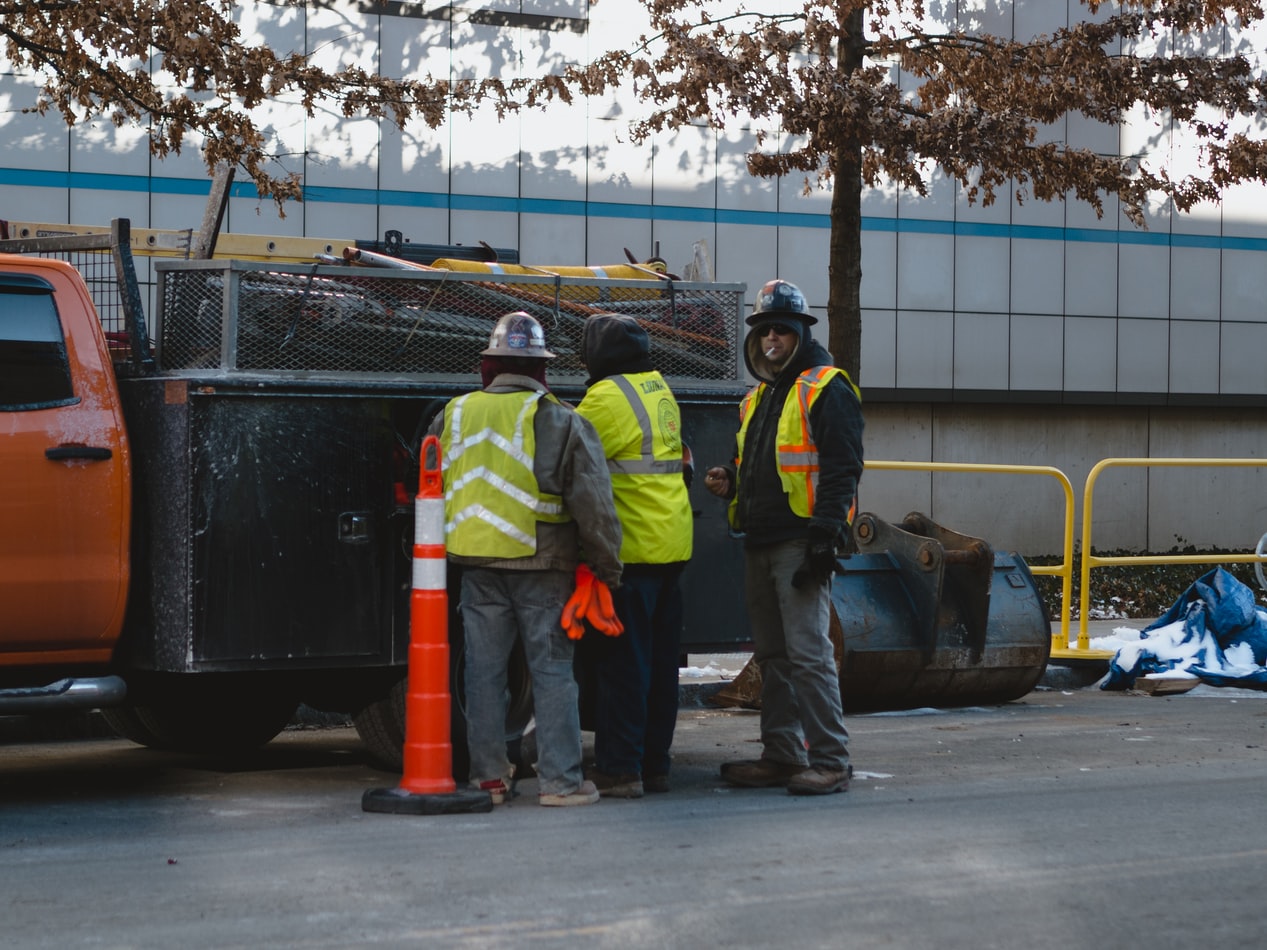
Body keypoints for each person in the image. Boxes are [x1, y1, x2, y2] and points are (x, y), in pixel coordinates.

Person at [430, 311, 623, 807]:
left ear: (489, 366)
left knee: (483, 674)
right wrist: (606, 566)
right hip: (544, 567)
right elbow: (594, 505)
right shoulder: (562, 420)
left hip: (476, 565)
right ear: (540, 368)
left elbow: (431, 482)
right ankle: (560, 783)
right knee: (553, 672)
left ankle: (488, 779)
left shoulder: (452, 414)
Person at [704, 279, 864, 795]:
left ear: (799, 332)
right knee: (773, 656)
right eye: (764, 330)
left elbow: (844, 468)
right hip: (762, 538)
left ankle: (832, 761)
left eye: (781, 330)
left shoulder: (826, 387)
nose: (771, 338)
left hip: (800, 542)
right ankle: (782, 754)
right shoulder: (761, 396)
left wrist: (825, 537)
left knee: (809, 654)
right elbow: (750, 462)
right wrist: (728, 478)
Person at [574, 313, 694, 798]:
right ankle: (654, 765)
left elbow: (572, 444)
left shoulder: (605, 397)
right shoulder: (656, 387)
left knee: (623, 664)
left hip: (634, 549)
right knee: (661, 667)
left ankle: (620, 768)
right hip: (671, 542)